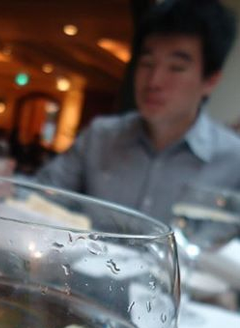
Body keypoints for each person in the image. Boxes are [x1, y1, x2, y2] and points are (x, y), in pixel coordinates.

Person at [36, 0, 240, 224]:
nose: (154, 81)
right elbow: (40, 195)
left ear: (210, 81)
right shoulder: (100, 136)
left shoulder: (233, 160)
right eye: (147, 63)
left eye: (176, 68)